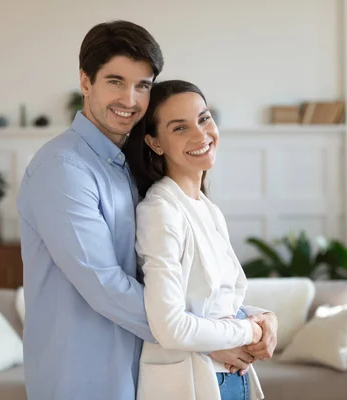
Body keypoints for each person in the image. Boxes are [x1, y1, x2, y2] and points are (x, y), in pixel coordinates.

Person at [17, 20, 277, 400]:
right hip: (82, 377)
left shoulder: (127, 167)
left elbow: (173, 286)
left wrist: (248, 315)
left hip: (138, 371)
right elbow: (106, 285)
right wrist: (206, 339)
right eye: (115, 81)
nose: (130, 99)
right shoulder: (62, 169)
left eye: (143, 85)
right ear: (85, 81)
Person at [125, 79, 274, 400]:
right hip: (193, 381)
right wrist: (249, 330)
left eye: (204, 118)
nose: (200, 135)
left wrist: (264, 319)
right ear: (155, 143)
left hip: (235, 378)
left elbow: (212, 303)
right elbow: (170, 326)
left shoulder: (206, 208)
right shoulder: (160, 210)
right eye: (180, 128)